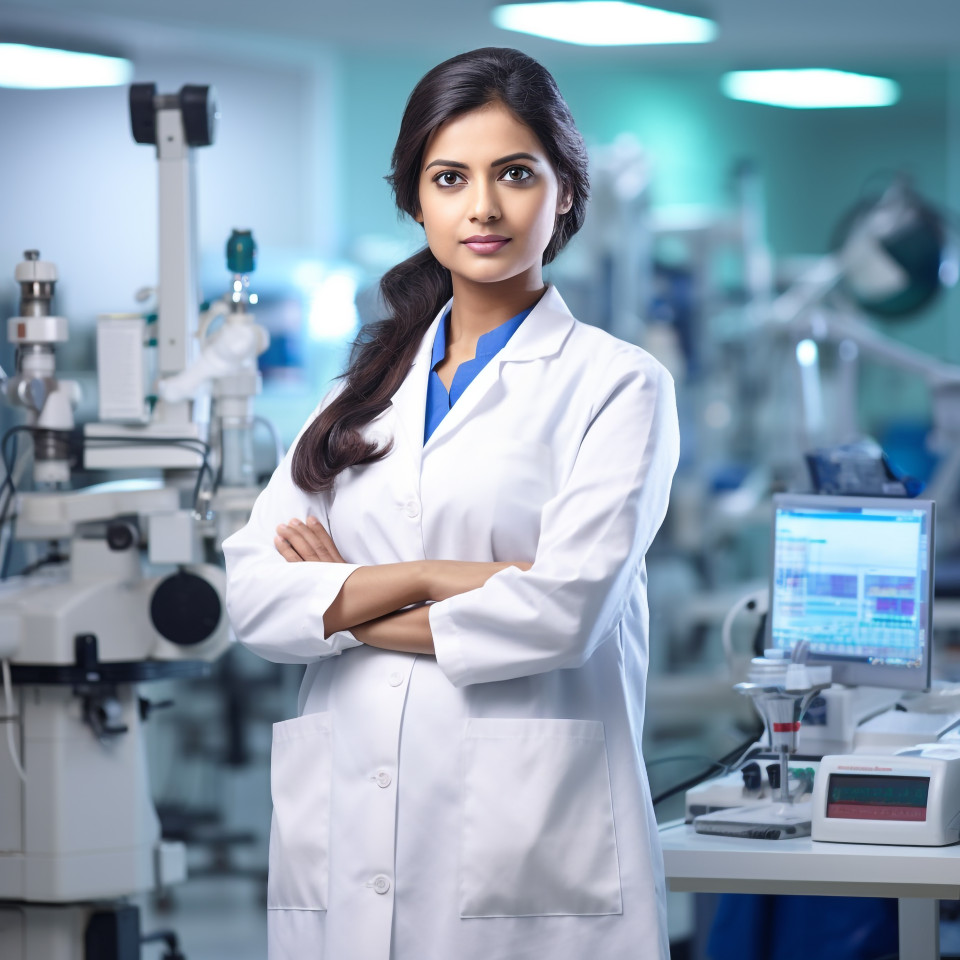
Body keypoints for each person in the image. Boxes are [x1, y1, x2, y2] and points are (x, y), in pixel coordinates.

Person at [223, 46, 680, 960]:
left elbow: (563, 614)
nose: (483, 208)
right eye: (449, 178)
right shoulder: (359, 393)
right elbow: (253, 597)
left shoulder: (618, 386)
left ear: (565, 193)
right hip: (347, 839)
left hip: (530, 859)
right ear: (415, 200)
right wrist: (442, 577)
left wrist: (344, 600)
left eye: (516, 173)